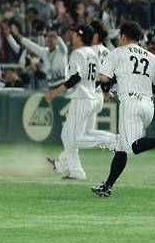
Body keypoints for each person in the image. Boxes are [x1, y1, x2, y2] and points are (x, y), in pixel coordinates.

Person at [92, 21, 155, 197]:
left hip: (130, 103)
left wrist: (106, 93)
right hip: (148, 105)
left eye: (120, 37)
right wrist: (146, 91)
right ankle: (107, 186)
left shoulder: (117, 53)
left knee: (131, 147)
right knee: (121, 147)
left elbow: (103, 78)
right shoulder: (152, 57)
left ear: (123, 36)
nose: (119, 40)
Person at [44, 25, 116, 180]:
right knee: (69, 135)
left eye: (75, 34)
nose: (72, 36)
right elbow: (101, 77)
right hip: (91, 96)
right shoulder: (92, 52)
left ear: (80, 37)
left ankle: (114, 141)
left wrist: (55, 91)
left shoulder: (78, 53)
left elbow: (75, 77)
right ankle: (76, 171)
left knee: (74, 139)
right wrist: (104, 90)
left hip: (82, 98)